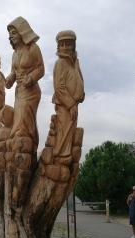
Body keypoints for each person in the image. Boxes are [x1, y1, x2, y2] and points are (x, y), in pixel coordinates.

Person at [5, 16, 45, 150]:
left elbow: (41, 68)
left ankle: (23, 141)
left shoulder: (33, 48)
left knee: (24, 115)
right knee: (21, 117)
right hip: (20, 91)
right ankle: (27, 142)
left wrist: (31, 78)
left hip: (32, 91)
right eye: (9, 34)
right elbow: (14, 72)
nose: (10, 36)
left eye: (14, 33)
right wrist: (9, 79)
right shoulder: (14, 54)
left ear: (22, 32)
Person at [52, 30, 84, 160]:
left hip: (74, 104)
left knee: (70, 134)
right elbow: (59, 88)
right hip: (65, 105)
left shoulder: (75, 62)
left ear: (74, 45)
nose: (65, 47)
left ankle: (65, 157)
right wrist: (71, 105)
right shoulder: (61, 63)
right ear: (58, 46)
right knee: (63, 135)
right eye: (62, 44)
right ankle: (60, 158)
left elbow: (79, 79)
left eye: (68, 44)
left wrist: (81, 94)